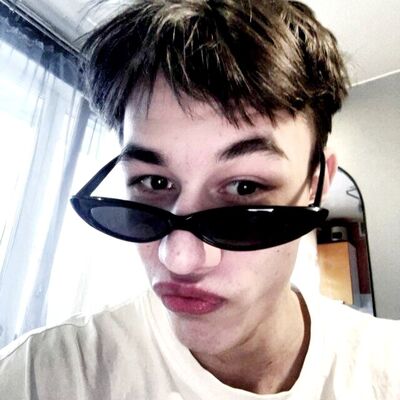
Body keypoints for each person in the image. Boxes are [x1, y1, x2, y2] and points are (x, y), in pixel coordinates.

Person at [1, 1, 399, 399]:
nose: (179, 258)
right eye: (155, 181)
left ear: (315, 183)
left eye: (244, 188)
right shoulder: (39, 376)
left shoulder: (387, 369)